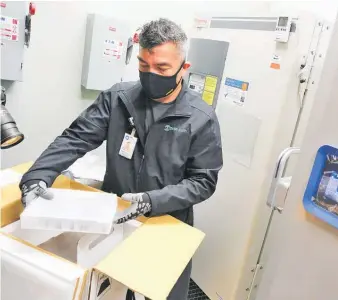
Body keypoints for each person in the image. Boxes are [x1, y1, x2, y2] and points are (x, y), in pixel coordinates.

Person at [19, 18, 223, 300]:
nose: (151, 74)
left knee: (162, 292)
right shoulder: (118, 99)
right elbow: (75, 138)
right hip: (114, 215)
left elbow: (203, 181)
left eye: (162, 68)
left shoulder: (200, 118)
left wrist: (153, 200)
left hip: (166, 221)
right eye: (143, 65)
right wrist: (37, 176)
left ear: (183, 68)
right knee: (110, 289)